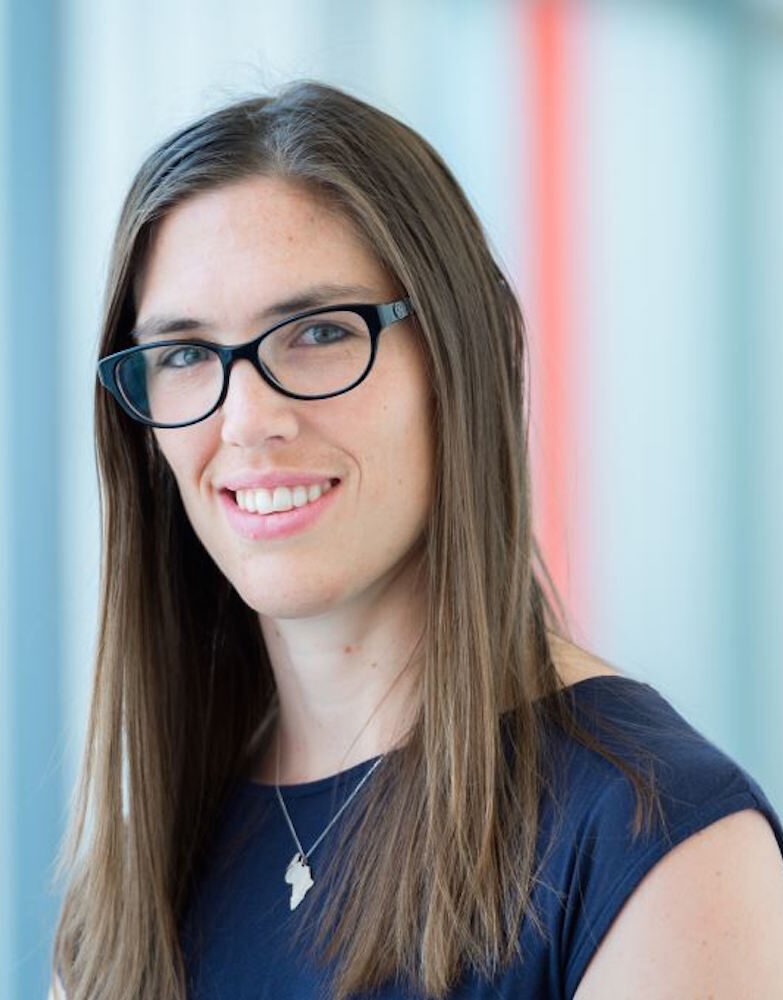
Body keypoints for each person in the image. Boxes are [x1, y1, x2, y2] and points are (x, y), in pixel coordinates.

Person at [50, 80, 783, 1000]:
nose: (245, 421)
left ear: (457, 359)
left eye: (316, 331)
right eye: (187, 353)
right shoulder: (147, 857)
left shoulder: (654, 840)